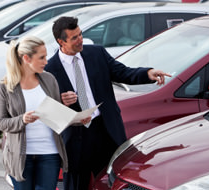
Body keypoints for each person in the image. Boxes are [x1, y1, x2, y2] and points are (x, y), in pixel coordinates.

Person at [44, 16, 171, 190]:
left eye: (80, 34)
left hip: (105, 131)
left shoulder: (96, 53)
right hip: (75, 138)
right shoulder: (49, 70)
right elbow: (46, 109)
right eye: (74, 38)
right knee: (75, 185)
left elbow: (123, 73)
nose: (80, 40)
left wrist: (148, 73)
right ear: (61, 42)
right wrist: (60, 101)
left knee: (111, 182)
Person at [0, 36, 68, 190]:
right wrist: (23, 119)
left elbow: (55, 115)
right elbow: (1, 122)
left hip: (50, 154)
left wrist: (73, 116)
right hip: (20, 157)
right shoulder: (5, 86)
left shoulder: (49, 80)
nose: (46, 61)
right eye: (41, 57)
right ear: (26, 58)